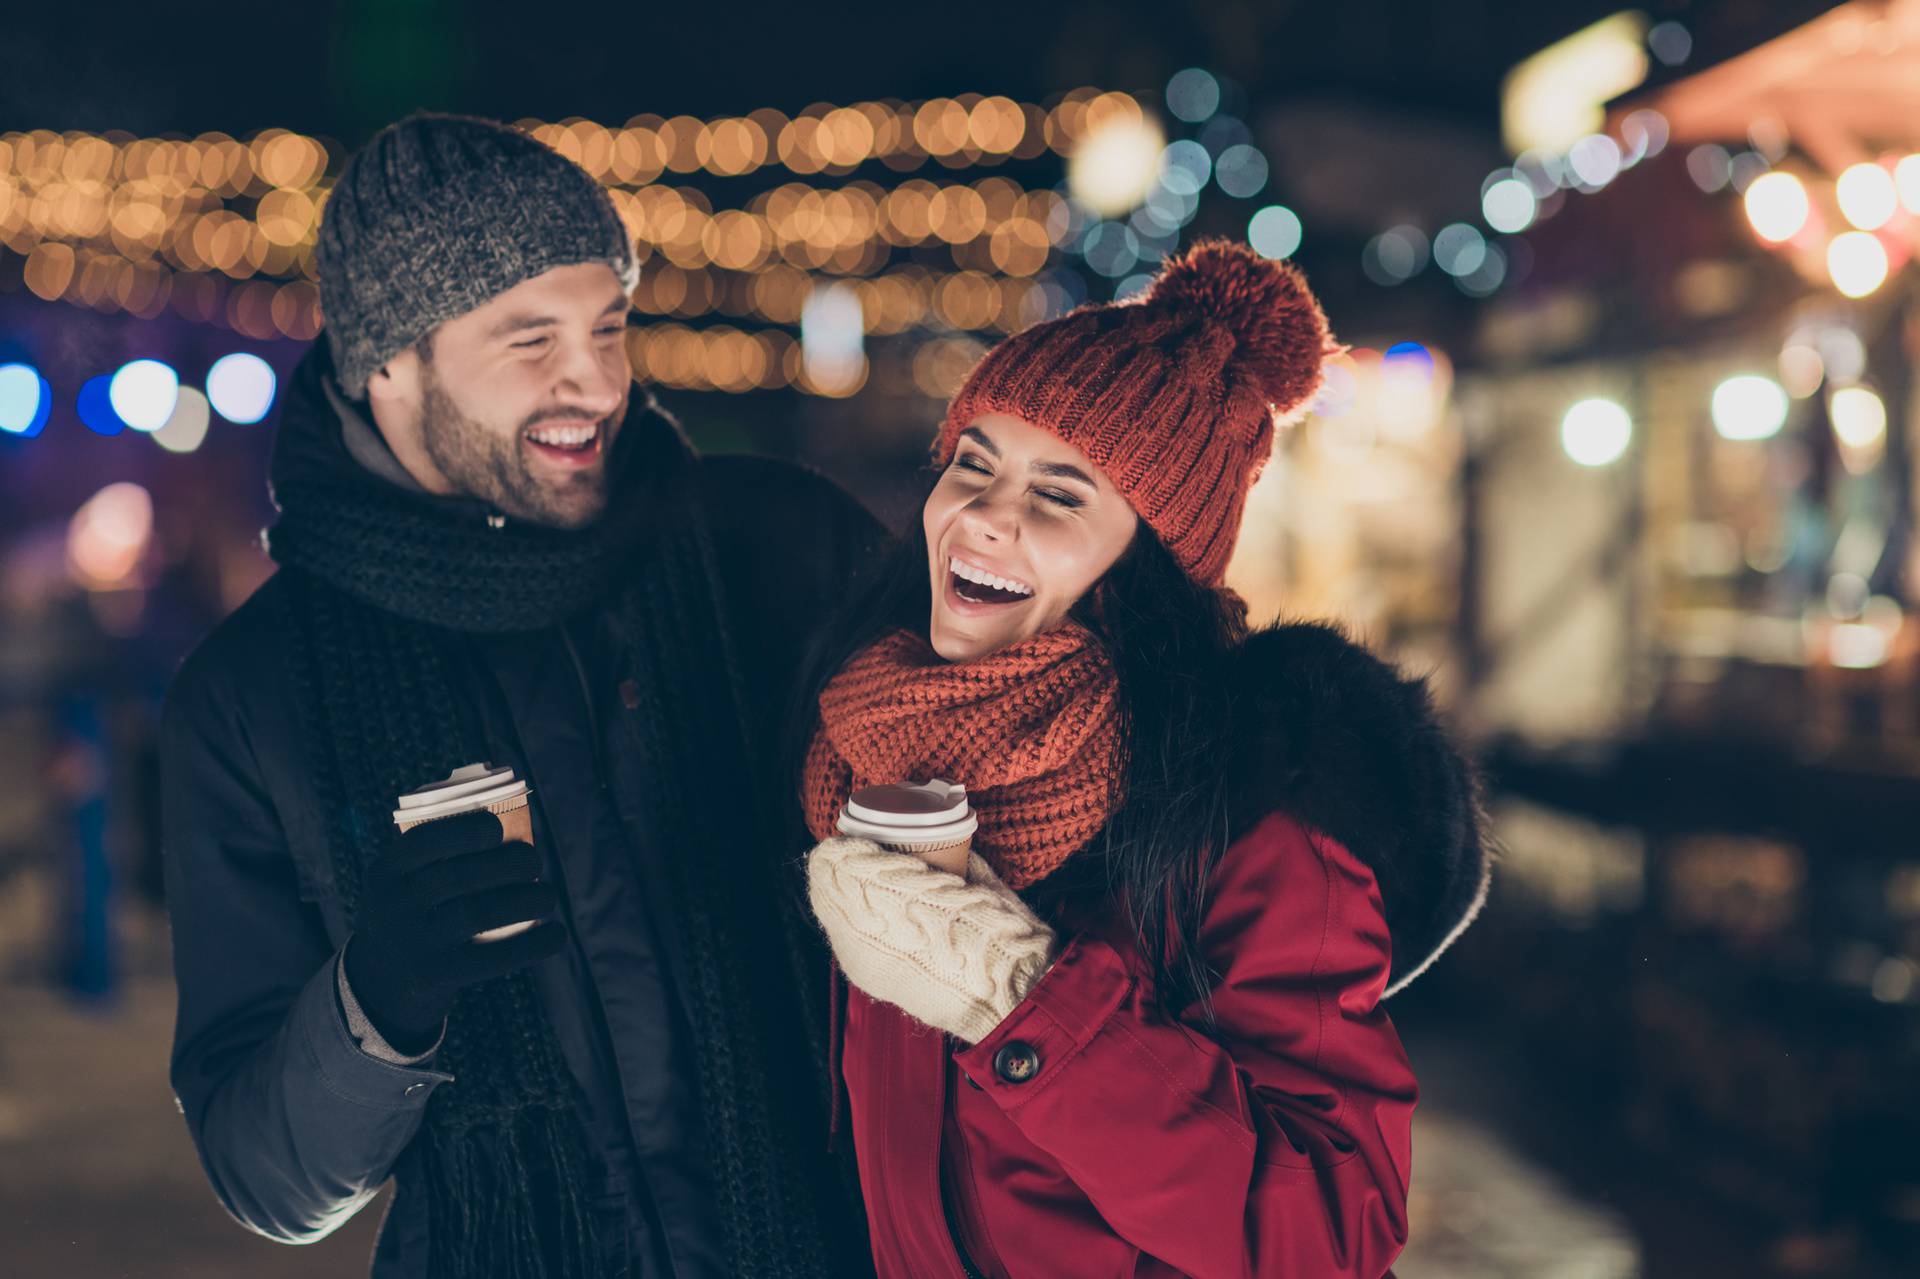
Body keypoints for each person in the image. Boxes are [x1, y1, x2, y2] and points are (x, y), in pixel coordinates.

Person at [161, 113, 878, 1278]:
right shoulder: (251, 698)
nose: (593, 380)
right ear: (386, 361)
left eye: (609, 324)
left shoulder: (774, 548)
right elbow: (263, 1174)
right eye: (529, 338)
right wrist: (375, 1005)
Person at [797, 239, 1492, 1278]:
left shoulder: (1254, 801)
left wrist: (1017, 999)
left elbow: (1330, 1237)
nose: (987, 515)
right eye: (973, 463)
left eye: (1062, 495)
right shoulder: (863, 741)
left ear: (1150, 559)